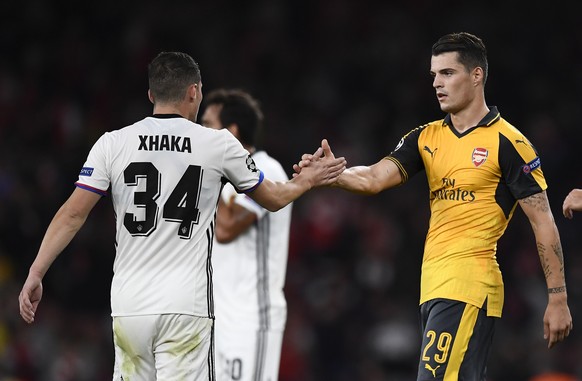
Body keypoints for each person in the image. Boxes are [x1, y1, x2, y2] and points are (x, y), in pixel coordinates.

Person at [18, 51, 346, 381]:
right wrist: (309, 179)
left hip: (130, 305)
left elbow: (72, 214)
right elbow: (273, 199)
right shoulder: (218, 144)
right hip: (185, 307)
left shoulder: (111, 144)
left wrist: (36, 271)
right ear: (194, 91)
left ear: (151, 95)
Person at [294, 32, 573, 380]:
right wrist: (334, 173)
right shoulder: (425, 137)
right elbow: (374, 177)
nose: (437, 83)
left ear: (476, 75)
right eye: (433, 75)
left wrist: (557, 298)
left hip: (469, 285)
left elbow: (543, 220)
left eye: (447, 73)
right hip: (434, 287)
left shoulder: (509, 142)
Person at [200, 88, 291, 381]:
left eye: (207, 125)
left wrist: (211, 177)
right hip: (216, 321)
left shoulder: (267, 170)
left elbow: (225, 229)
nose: (200, 133)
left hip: (251, 319)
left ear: (232, 132)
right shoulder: (221, 176)